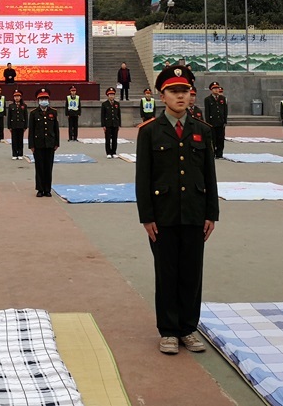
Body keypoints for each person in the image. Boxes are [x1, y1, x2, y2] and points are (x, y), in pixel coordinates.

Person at [135, 64, 219, 355]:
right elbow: (143, 178)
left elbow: (209, 175)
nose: (180, 97)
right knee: (167, 272)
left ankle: (188, 329)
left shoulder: (202, 130)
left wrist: (212, 214)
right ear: (163, 96)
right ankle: (169, 331)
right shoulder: (149, 132)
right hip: (163, 215)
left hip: (195, 214)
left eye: (184, 91)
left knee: (192, 274)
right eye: (174, 91)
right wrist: (146, 217)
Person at [28, 88, 59, 197]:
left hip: (50, 143)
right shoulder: (33, 113)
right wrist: (31, 145)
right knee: (39, 167)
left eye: (45, 98)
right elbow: (31, 130)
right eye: (41, 99)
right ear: (38, 100)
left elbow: (56, 129)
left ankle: (47, 189)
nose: (43, 100)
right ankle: (40, 189)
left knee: (48, 167)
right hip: (38, 144)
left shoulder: (53, 112)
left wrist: (57, 143)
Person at [204, 83, 228, 159]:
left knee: (220, 139)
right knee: (213, 139)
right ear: (211, 90)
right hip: (212, 123)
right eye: (214, 88)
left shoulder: (222, 98)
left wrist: (225, 121)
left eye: (217, 88)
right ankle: (213, 153)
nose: (216, 90)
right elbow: (207, 112)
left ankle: (219, 154)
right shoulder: (208, 99)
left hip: (220, 122)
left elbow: (225, 110)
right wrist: (208, 123)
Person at [101, 87, 122, 158]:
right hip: (108, 124)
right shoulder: (104, 104)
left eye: (113, 95)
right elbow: (102, 115)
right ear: (107, 95)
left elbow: (118, 114)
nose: (111, 96)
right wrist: (103, 125)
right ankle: (108, 153)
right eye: (110, 95)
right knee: (107, 139)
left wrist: (119, 124)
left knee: (114, 139)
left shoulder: (117, 103)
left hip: (115, 123)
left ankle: (114, 152)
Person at [7, 89, 28, 159]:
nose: (17, 98)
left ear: (20, 97)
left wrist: (25, 126)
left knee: (20, 140)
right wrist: (9, 126)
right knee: (14, 140)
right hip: (13, 125)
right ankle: (14, 154)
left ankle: (20, 154)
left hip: (21, 125)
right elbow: (9, 117)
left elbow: (26, 116)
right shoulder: (11, 106)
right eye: (15, 96)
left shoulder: (24, 106)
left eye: (18, 96)